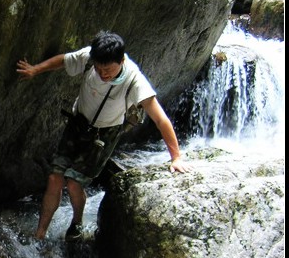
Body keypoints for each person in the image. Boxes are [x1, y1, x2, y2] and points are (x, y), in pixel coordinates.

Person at [16, 30, 192, 241]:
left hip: (104, 135)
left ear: (121, 60)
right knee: (55, 177)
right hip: (78, 124)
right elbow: (64, 60)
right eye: (99, 69)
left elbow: (160, 119)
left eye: (108, 70)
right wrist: (36, 69)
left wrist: (176, 157)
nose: (103, 74)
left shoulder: (135, 81)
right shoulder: (90, 57)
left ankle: (77, 222)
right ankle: (40, 233)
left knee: (73, 182)